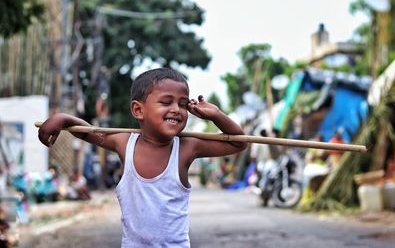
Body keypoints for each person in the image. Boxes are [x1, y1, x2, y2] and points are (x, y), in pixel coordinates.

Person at [38, 67, 246, 247]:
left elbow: (239, 142)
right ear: (138, 110)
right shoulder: (124, 143)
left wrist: (216, 114)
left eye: (183, 104)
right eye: (166, 102)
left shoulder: (186, 148)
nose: (176, 109)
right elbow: (89, 132)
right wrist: (62, 119)